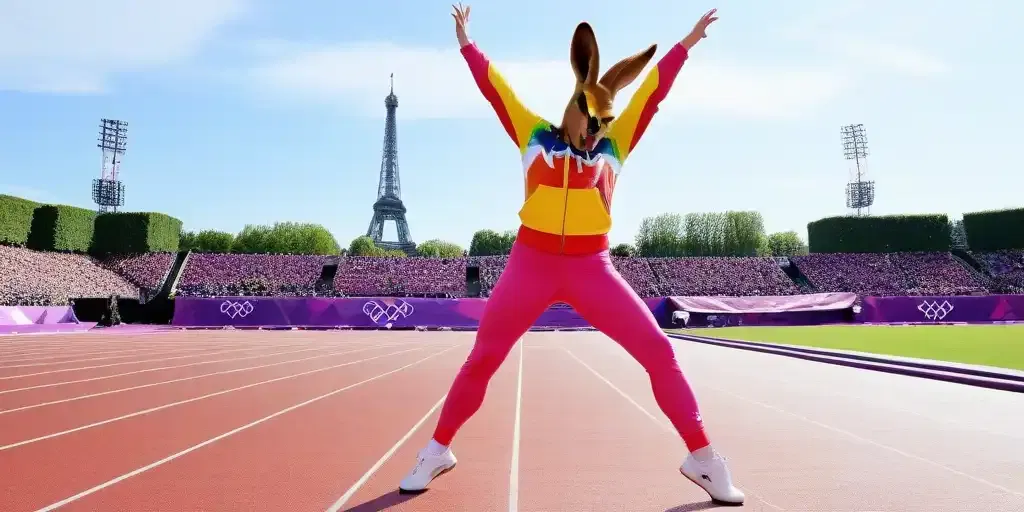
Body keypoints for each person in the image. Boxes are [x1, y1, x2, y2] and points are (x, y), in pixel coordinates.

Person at [398, 4, 744, 505]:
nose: (596, 132)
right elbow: (497, 89)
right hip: (530, 263)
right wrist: (467, 44)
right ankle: (436, 451)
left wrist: (686, 45)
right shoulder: (533, 134)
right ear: (576, 103)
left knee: (660, 352)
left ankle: (704, 459)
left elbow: (650, 91)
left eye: (605, 123)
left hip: (592, 268)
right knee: (483, 358)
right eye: (592, 120)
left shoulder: (615, 145)